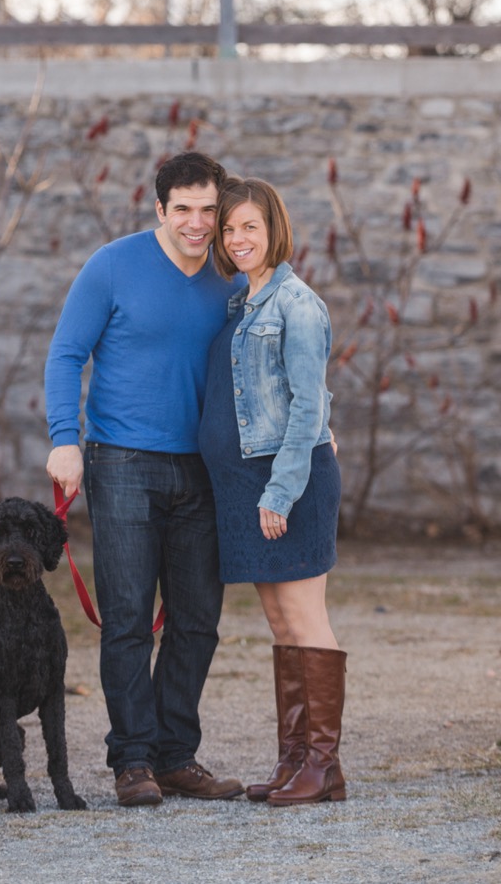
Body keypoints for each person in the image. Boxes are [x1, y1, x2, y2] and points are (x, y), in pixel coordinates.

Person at [45, 151, 245, 808]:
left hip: (207, 470)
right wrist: (63, 441)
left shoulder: (230, 276)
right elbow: (67, 353)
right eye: (182, 209)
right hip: (121, 462)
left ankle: (175, 754)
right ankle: (132, 760)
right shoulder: (112, 266)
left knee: (197, 619)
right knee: (128, 618)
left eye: (208, 210)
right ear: (159, 208)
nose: (196, 223)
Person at [198, 177, 347, 807]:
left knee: (306, 617)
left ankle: (323, 764)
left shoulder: (297, 303)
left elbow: (308, 405)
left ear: (274, 229)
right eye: (229, 229)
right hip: (249, 486)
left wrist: (280, 494)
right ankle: (296, 762)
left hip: (290, 483)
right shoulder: (244, 302)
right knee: (280, 621)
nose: (237, 240)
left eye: (249, 227)